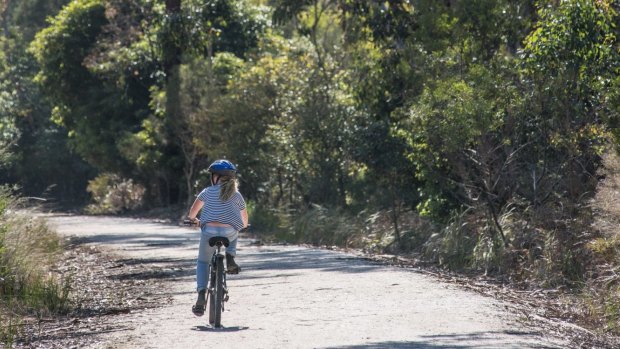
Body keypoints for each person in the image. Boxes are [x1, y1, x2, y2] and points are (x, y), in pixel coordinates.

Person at [186, 159, 248, 316]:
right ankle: (230, 256)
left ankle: (201, 294)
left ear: (215, 177)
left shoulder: (207, 192)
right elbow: (244, 220)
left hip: (209, 232)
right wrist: (243, 226)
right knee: (235, 231)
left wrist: (194, 220)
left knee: (202, 262)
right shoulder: (237, 194)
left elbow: (192, 213)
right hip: (229, 232)